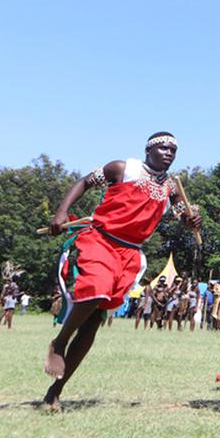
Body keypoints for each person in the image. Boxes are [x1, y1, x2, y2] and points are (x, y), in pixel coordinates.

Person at [41, 132, 202, 411]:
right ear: (148, 149)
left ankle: (55, 391)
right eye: (163, 147)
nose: (168, 152)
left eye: (173, 150)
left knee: (93, 323)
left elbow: (182, 217)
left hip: (130, 253)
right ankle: (59, 342)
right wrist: (61, 212)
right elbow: (83, 182)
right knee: (96, 288)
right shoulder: (123, 168)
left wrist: (191, 220)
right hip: (101, 240)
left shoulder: (172, 188)